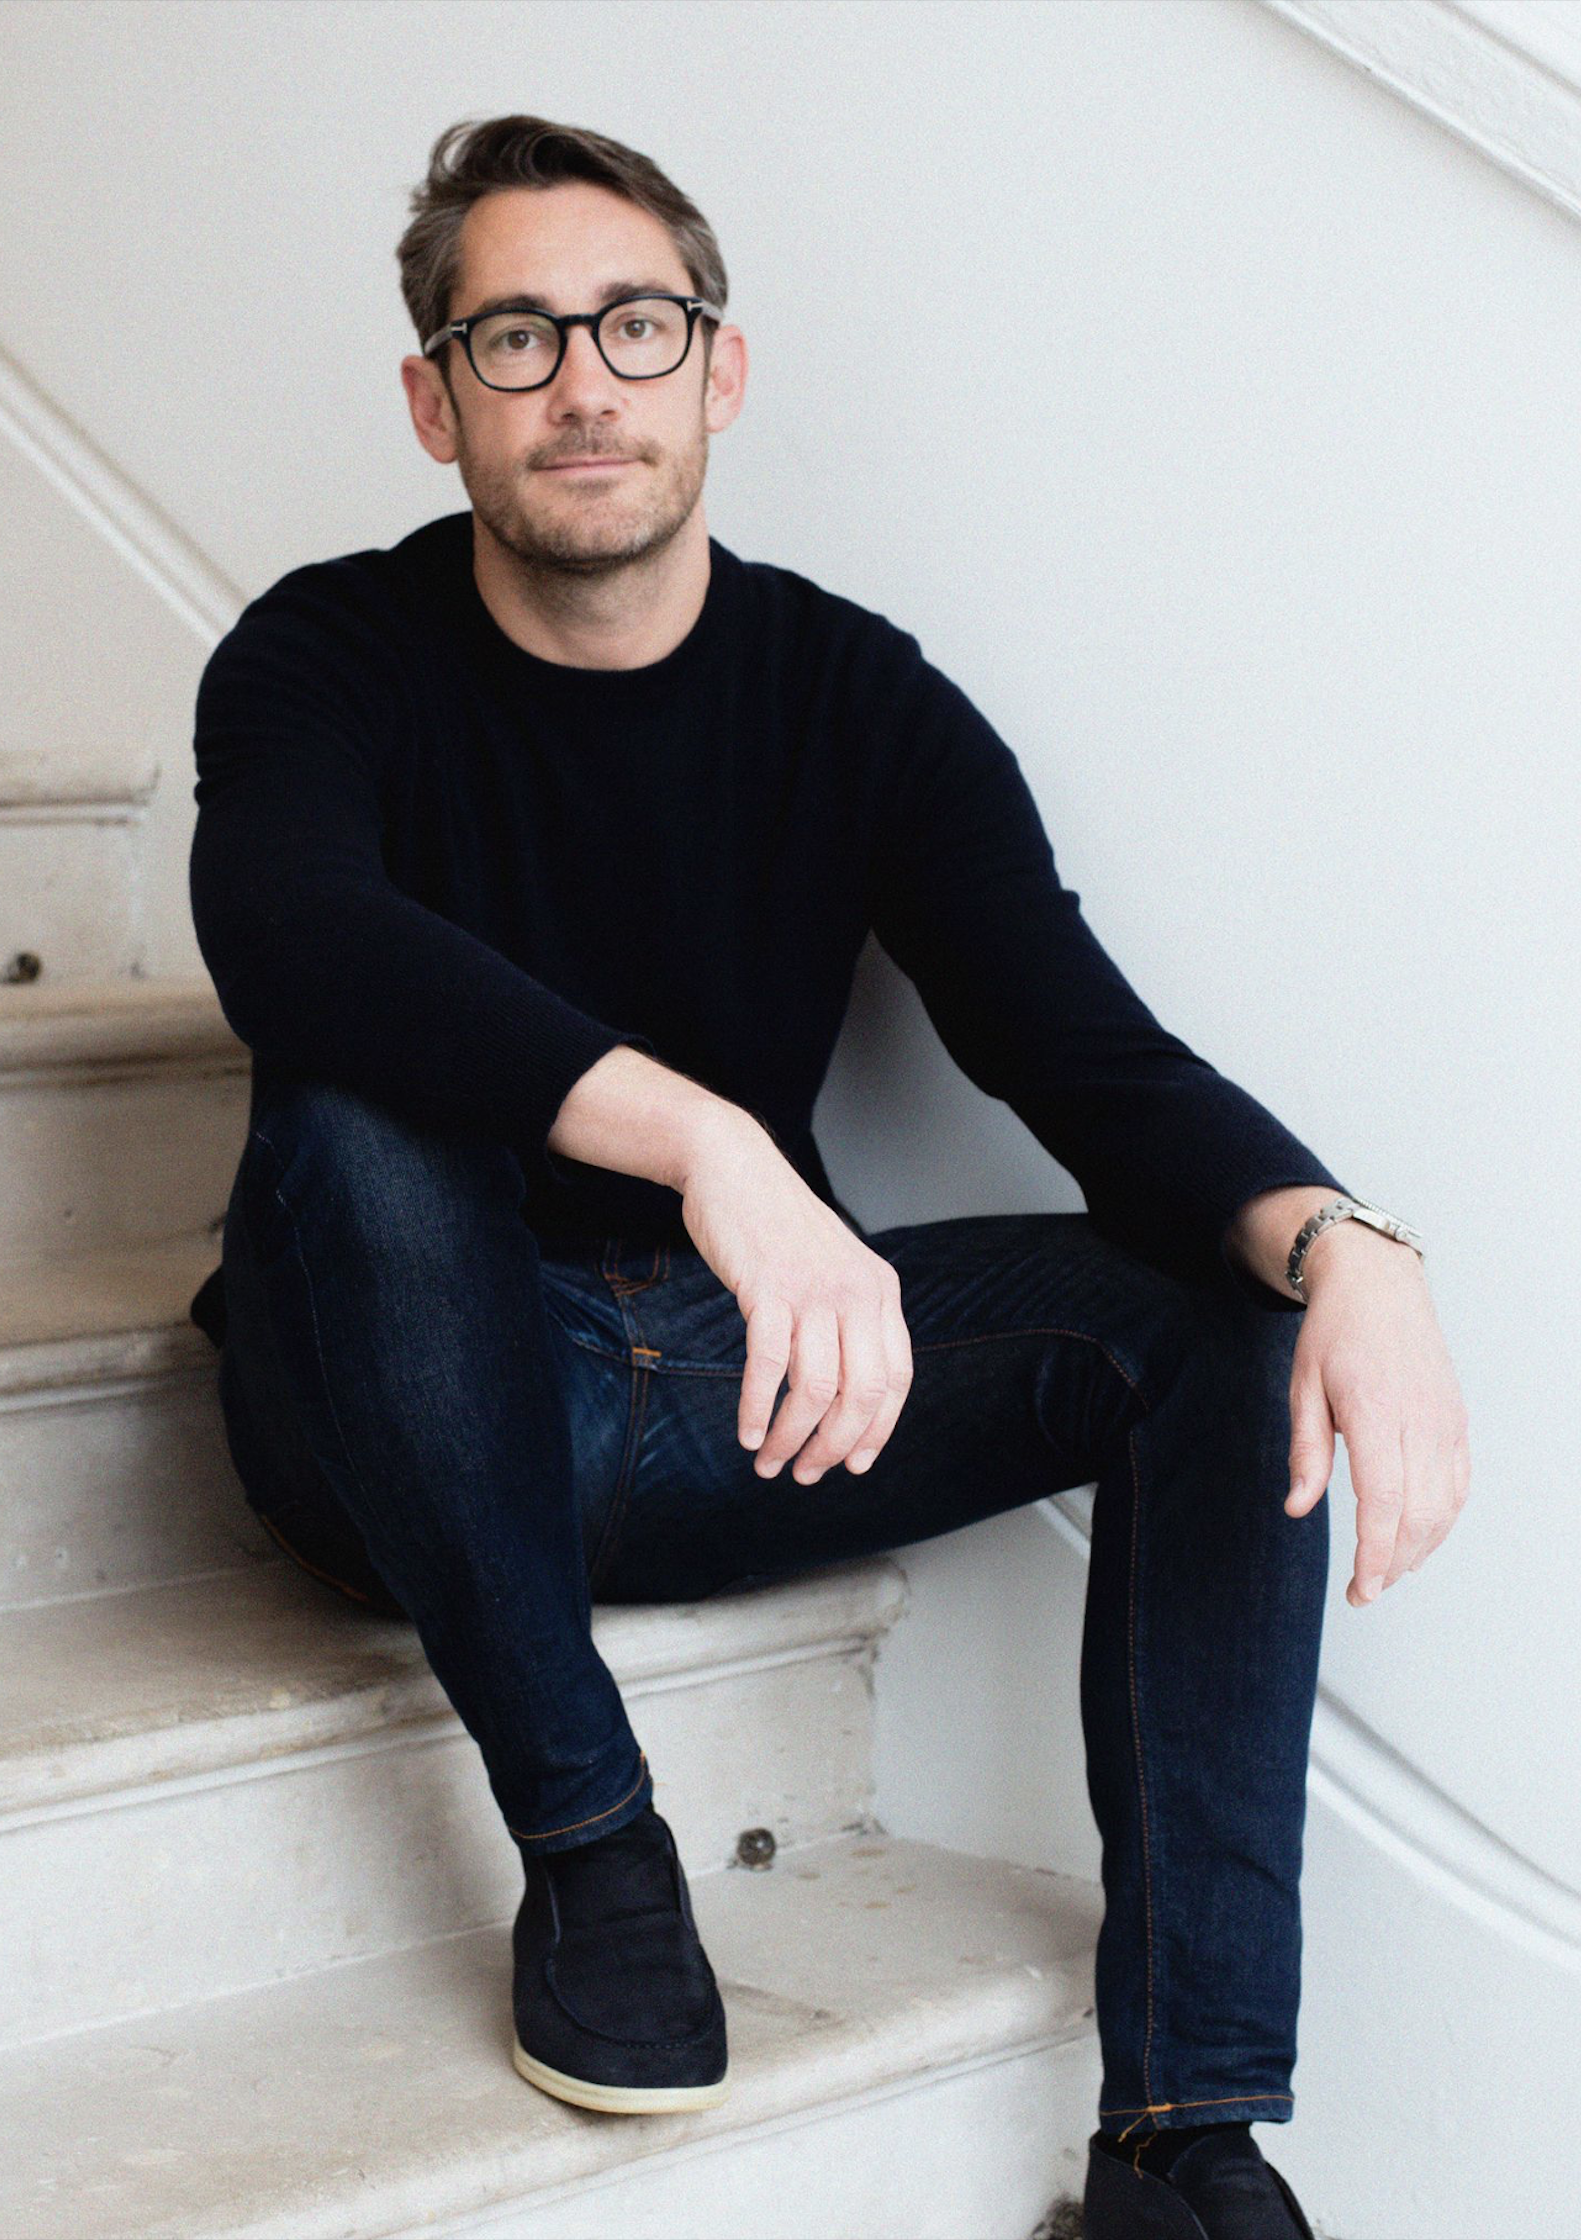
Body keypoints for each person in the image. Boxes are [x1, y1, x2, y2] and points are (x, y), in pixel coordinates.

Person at [185, 113, 1468, 2239]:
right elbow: (290, 939)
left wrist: (1345, 1241)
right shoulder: (324, 655)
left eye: (632, 322)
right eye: (511, 336)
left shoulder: (852, 697)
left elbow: (1081, 1052)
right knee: (353, 1106)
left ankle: (1184, 2134)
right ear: (432, 402)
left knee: (1228, 1320)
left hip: (719, 1394)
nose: (581, 379)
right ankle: (596, 1843)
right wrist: (706, 1141)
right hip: (392, 1403)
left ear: (719, 369)